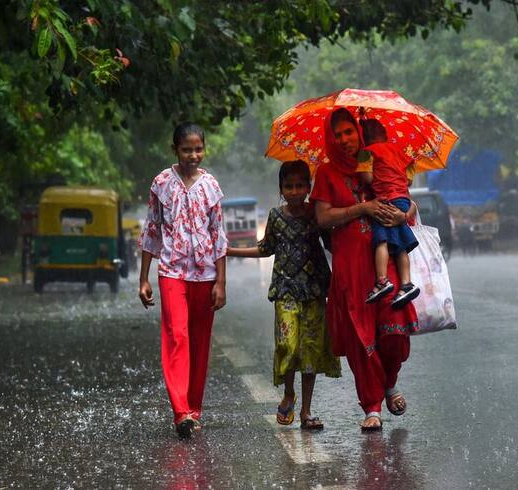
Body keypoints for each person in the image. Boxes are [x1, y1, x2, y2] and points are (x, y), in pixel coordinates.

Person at [311, 108, 418, 431]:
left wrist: (404, 215)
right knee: (362, 337)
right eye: (338, 134)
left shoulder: (377, 160)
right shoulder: (327, 174)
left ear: (360, 132)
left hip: (384, 266)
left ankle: (389, 382)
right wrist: (362, 207)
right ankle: (371, 405)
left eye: (349, 132)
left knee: (395, 329)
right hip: (351, 267)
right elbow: (323, 218)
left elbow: (407, 202)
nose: (345, 140)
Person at [227, 160, 341, 430]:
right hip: (285, 291)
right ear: (281, 189)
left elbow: (334, 244)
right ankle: (289, 393)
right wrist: (230, 251)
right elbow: (265, 249)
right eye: (288, 186)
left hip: (314, 290)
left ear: (308, 188)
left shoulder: (317, 214)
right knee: (287, 345)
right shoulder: (276, 217)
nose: (294, 191)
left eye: (300, 185)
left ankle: (306, 411)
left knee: (311, 350)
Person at [138, 122, 228, 438]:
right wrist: (143, 279)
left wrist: (221, 282)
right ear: (175, 149)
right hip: (171, 271)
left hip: (205, 273)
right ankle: (180, 411)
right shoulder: (161, 183)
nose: (193, 155)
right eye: (187, 149)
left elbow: (218, 235)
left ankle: (194, 408)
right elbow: (151, 230)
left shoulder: (212, 187)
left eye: (198, 149)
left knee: (200, 341)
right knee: (178, 335)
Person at [357, 118, 419, 308]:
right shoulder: (400, 152)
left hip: (385, 201)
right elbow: (408, 181)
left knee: (381, 241)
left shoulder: (366, 152)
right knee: (400, 246)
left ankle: (382, 280)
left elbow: (367, 177)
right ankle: (406, 283)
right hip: (403, 201)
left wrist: (362, 166)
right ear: (385, 135)